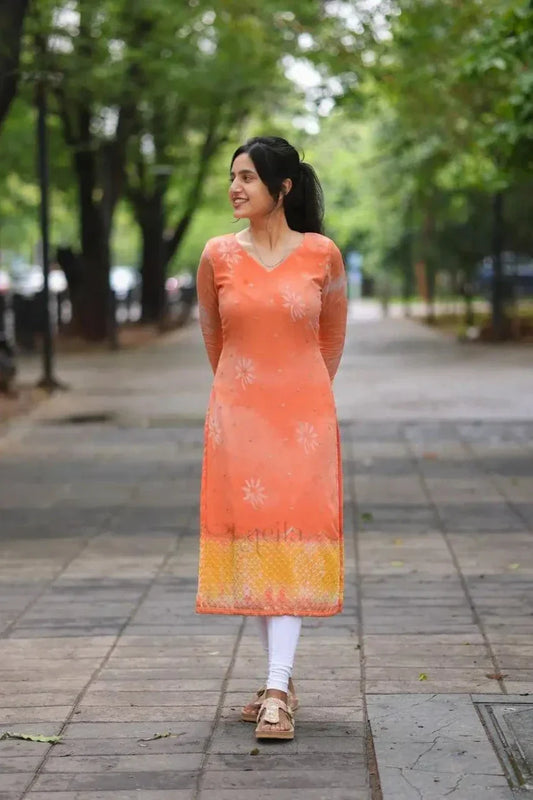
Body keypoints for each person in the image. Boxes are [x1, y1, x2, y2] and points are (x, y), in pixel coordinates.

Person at [196, 136, 348, 741]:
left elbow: (331, 338)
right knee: (259, 544)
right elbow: (214, 336)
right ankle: (276, 681)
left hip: (304, 423)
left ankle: (278, 690)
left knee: (291, 540)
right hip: (238, 420)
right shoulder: (216, 256)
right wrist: (244, 397)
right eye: (232, 177)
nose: (235, 187)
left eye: (248, 178)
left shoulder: (322, 255)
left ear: (281, 188)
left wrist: (300, 397)